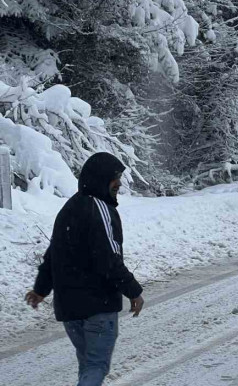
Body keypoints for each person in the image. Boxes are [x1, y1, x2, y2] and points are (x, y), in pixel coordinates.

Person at [25, 152, 145, 386]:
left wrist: (40, 290)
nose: (119, 183)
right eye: (115, 178)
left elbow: (53, 255)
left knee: (88, 365)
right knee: (96, 365)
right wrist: (133, 291)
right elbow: (109, 259)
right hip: (97, 306)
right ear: (102, 178)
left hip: (70, 309)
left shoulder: (68, 209)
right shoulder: (100, 209)